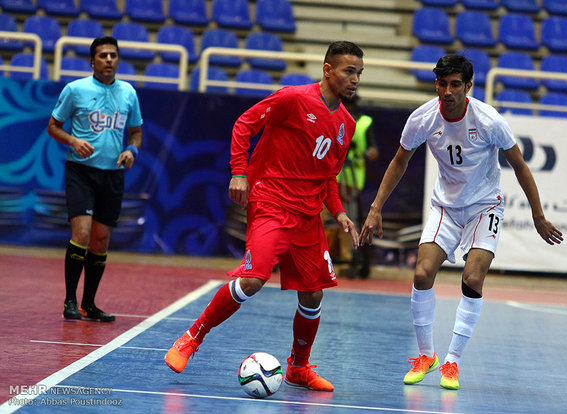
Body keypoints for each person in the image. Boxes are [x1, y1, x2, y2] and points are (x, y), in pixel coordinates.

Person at [164, 41, 364, 392]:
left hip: (307, 217)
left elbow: (328, 176)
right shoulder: (292, 98)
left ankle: (298, 369)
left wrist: (340, 212)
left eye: (359, 73)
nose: (355, 80)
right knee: (253, 280)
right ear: (327, 69)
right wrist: (239, 172)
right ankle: (191, 338)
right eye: (349, 71)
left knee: (313, 295)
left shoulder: (346, 123)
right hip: (271, 202)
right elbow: (243, 124)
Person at [360, 54, 563, 390]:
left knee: (472, 277)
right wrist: (375, 207)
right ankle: (427, 356)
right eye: (442, 83)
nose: (447, 91)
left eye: (456, 84)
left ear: (468, 87)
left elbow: (521, 166)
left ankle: (452, 361)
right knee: (422, 273)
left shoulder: (488, 120)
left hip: (485, 207)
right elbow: (399, 161)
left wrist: (537, 215)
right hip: (446, 208)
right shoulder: (422, 118)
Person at [47, 36, 143, 322]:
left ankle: (89, 304)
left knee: (101, 240)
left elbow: (136, 131)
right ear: (93, 61)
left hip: (112, 175)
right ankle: (69, 301)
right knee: (83, 234)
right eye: (103, 56)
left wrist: (131, 149)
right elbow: (53, 126)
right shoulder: (75, 90)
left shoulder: (128, 93)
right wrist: (74, 141)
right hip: (81, 172)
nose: (109, 60)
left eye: (113, 55)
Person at [327, 94, 378, 278]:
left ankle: (348, 259)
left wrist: (365, 154)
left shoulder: (364, 122)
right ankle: (333, 258)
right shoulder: (332, 118)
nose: (347, 107)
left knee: (347, 218)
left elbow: (373, 149)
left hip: (352, 179)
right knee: (330, 220)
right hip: (332, 176)